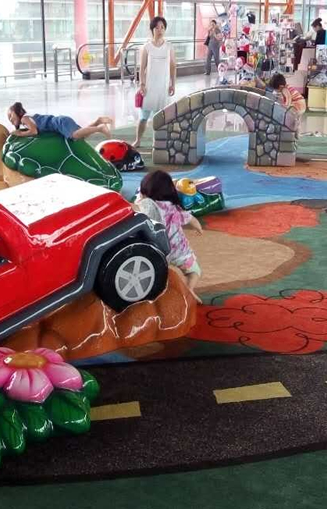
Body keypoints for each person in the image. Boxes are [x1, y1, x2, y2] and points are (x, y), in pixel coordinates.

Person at [133, 170, 203, 301]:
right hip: (179, 251)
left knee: (154, 272)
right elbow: (191, 219)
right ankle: (190, 288)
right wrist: (198, 227)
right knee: (194, 272)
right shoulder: (174, 208)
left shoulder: (145, 205)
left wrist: (141, 196)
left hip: (158, 250)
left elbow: (137, 207)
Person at [133, 17, 176, 148]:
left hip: (163, 87)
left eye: (162, 27)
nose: (160, 30)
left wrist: (173, 84)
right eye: (157, 27)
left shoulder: (169, 47)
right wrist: (142, 84)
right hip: (149, 87)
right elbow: (142, 68)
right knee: (143, 117)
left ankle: (157, 142)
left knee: (161, 118)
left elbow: (173, 66)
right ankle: (138, 140)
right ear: (152, 29)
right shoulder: (147, 47)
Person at [7, 102, 113, 140]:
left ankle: (99, 128)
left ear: (17, 111)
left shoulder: (24, 118)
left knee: (74, 135)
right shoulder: (27, 118)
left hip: (59, 123)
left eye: (10, 115)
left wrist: (20, 134)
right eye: (8, 118)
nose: (10, 119)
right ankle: (98, 121)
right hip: (61, 121)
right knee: (82, 135)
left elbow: (33, 131)